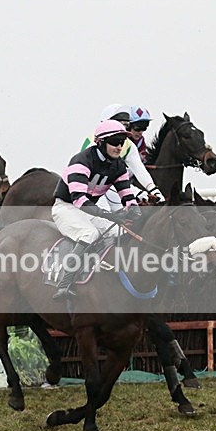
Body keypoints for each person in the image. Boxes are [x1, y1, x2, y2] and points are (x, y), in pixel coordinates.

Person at [51, 119, 142, 300]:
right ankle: (64, 283)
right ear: (100, 142)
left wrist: (136, 211)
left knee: (119, 232)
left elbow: (127, 197)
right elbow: (79, 200)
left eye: (122, 142)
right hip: (66, 207)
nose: (119, 147)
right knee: (89, 234)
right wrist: (109, 215)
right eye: (115, 142)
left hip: (89, 210)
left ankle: (106, 272)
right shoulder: (81, 161)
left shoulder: (119, 166)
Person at [81, 104, 164, 211]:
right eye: (119, 124)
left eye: (126, 124)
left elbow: (140, 171)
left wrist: (154, 191)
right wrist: (137, 192)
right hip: (85, 190)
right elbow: (105, 179)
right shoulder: (95, 142)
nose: (123, 128)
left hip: (106, 188)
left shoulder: (129, 146)